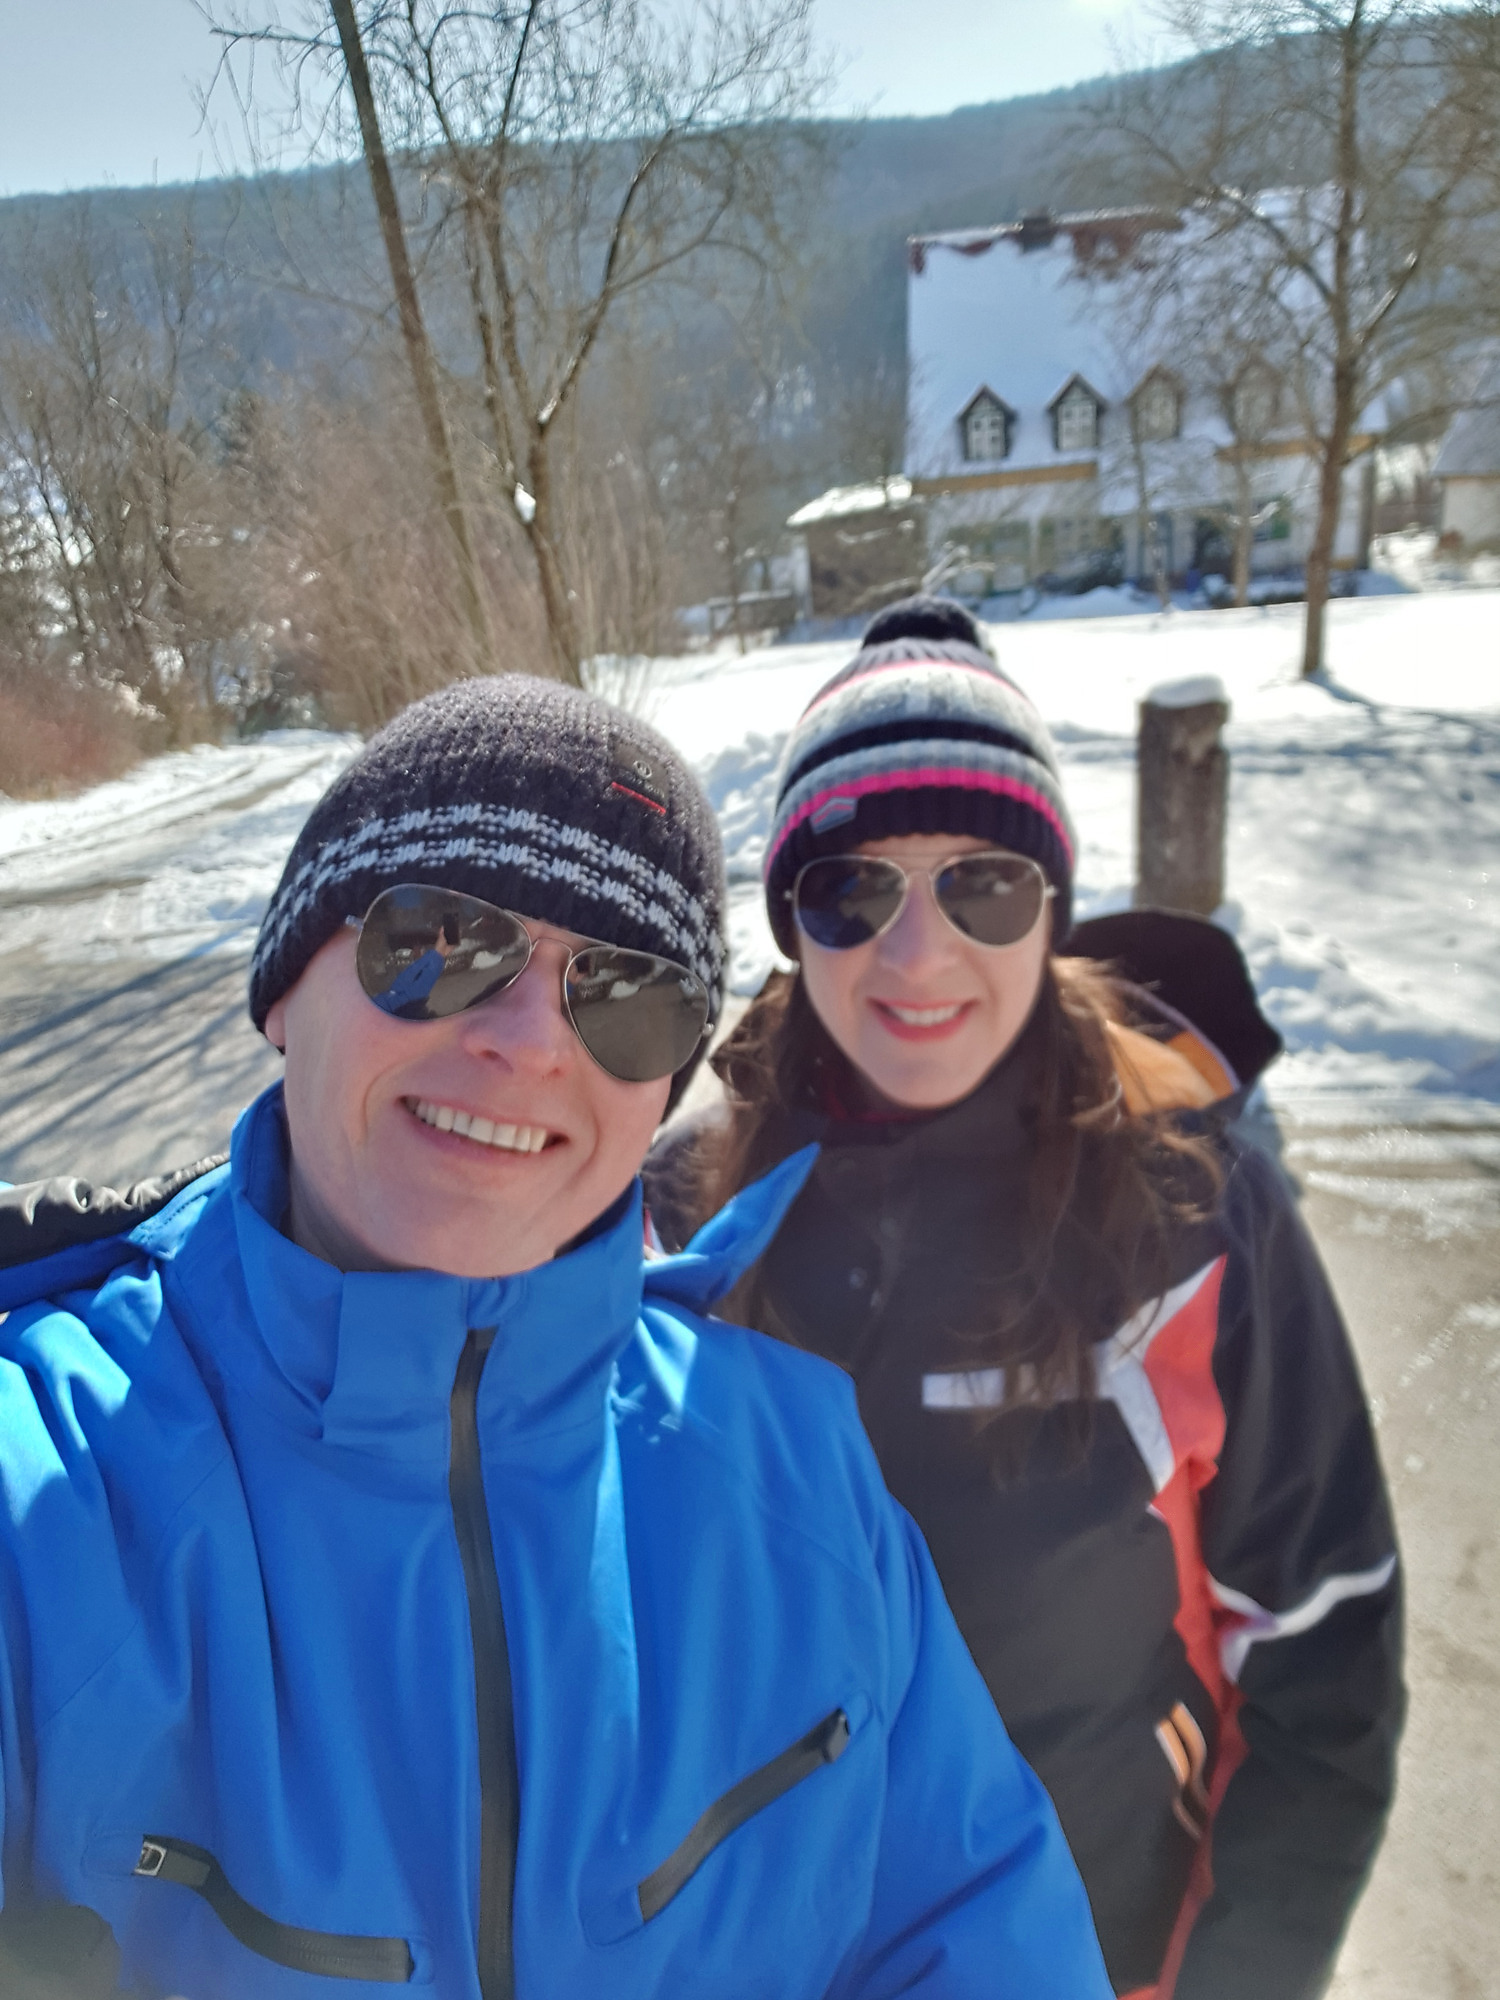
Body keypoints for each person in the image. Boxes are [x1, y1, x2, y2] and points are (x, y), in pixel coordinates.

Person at [0, 675, 1112, 2000]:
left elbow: (981, 1930)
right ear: (285, 990)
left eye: (625, 996)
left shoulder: (799, 1471)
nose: (528, 1041)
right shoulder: (43, 1503)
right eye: (436, 940)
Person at [643, 599, 1404, 2000]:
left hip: (1111, 1956)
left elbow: (1325, 1653)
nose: (916, 954)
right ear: (794, 926)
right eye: (852, 892)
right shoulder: (683, 1223)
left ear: (1051, 906)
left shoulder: (1195, 1215)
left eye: (983, 886)